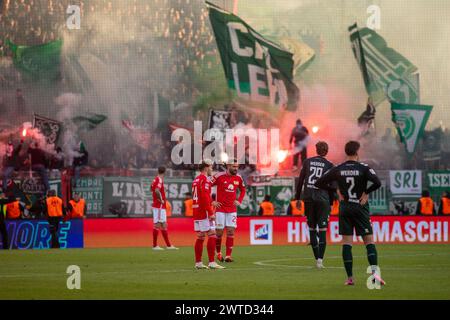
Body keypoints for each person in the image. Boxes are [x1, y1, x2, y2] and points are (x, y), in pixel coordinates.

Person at [315, 140, 385, 286]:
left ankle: (350, 278)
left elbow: (319, 183)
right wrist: (366, 192)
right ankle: (374, 276)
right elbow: (377, 183)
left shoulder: (338, 168)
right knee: (369, 241)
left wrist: (336, 191)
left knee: (347, 243)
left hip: (345, 207)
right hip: (360, 207)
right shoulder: (364, 168)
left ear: (346, 152)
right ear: (357, 152)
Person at [295, 141, 334, 268]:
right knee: (322, 230)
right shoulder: (329, 165)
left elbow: (300, 180)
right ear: (326, 151)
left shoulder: (307, 162)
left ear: (316, 150)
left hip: (309, 199)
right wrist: (332, 202)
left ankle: (316, 257)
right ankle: (320, 261)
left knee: (312, 229)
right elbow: (332, 186)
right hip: (323, 200)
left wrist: (298, 199)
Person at [210, 158, 246, 263]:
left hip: (232, 210)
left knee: (230, 232)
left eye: (237, 166)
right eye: (234, 166)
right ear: (228, 166)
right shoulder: (218, 176)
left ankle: (228, 256)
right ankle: (219, 253)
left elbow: (243, 190)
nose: (236, 168)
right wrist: (212, 201)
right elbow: (206, 186)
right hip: (220, 209)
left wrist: (239, 200)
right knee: (219, 233)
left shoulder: (238, 178)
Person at [192, 160, 225, 269]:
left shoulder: (196, 180)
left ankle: (198, 263)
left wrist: (211, 202)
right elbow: (205, 197)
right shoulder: (205, 179)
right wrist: (210, 212)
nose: (212, 169)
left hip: (196, 211)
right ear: (206, 168)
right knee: (212, 234)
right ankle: (212, 262)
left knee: (201, 236)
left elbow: (202, 195)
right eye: (211, 167)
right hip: (204, 211)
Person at [151, 166, 178, 250]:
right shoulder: (159, 179)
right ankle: (155, 245)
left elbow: (151, 188)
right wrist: (161, 199)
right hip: (159, 205)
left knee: (164, 225)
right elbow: (156, 190)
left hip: (159, 205)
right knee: (157, 225)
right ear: (165, 172)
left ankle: (168, 245)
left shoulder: (155, 179)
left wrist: (162, 191)